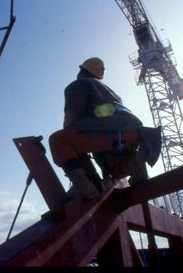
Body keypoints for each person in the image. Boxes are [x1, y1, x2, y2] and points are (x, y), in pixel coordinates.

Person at [49, 57, 148, 201]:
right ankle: (133, 162)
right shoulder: (109, 91)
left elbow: (72, 116)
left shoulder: (78, 84)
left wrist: (71, 143)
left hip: (110, 133)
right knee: (109, 168)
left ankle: (86, 189)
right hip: (133, 133)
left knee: (58, 140)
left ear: (82, 71)